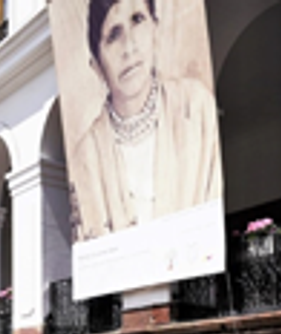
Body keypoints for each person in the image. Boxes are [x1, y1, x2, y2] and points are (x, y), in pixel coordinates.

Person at [67, 0, 222, 242]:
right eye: (113, 35)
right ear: (96, 65)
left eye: (137, 20)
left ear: (155, 29)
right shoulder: (85, 157)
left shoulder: (196, 110)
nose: (129, 47)